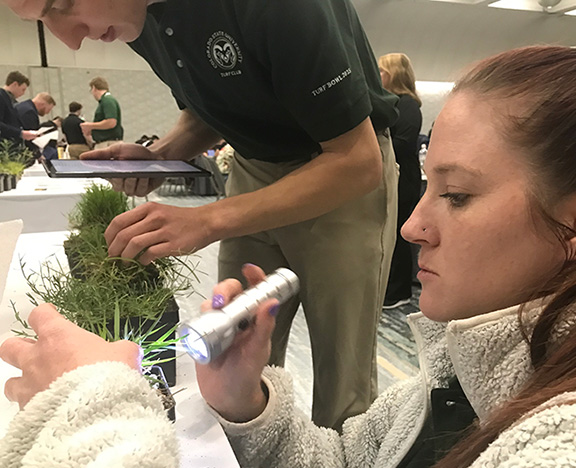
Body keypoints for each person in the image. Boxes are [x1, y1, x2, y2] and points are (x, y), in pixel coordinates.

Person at [4, 38, 576, 467]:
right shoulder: (458, 379)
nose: (412, 228)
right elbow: (348, 458)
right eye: (428, 189)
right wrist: (245, 404)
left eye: (457, 196)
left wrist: (92, 404)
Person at [3, 0, 400, 431]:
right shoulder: (134, 18)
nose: (70, 39)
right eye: (40, 21)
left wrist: (208, 219)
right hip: (253, 165)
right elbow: (213, 109)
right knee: (236, 345)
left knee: (342, 375)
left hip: (338, 173)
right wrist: (160, 156)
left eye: (62, 3)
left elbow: (357, 160)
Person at [378, 53, 423, 309]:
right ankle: (390, 287)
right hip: (393, 178)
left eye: (382, 71)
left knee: (398, 236)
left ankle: (399, 291)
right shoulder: (391, 103)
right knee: (389, 235)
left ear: (394, 74)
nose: (378, 76)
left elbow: (403, 144)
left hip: (404, 180)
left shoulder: (408, 105)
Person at [80, 76, 123, 149]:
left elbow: (111, 122)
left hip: (108, 144)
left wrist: (90, 125)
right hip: (107, 142)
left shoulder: (108, 101)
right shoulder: (105, 101)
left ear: (94, 88)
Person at [0, 71, 36, 144]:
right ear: (15, 84)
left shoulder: (10, 100)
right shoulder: (1, 97)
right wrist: (20, 133)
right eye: (23, 89)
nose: (23, 93)